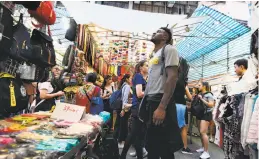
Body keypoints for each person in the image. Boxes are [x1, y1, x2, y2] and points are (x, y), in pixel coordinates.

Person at [139, 27, 183, 159]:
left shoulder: (169, 49)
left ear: (165, 37)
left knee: (164, 148)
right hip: (151, 101)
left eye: (158, 31)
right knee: (153, 146)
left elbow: (172, 77)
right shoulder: (154, 55)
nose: (153, 32)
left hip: (160, 100)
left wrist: (162, 107)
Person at [120, 61, 148, 159]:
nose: (148, 67)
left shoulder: (142, 78)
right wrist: (150, 91)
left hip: (140, 108)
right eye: (146, 65)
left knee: (137, 134)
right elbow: (140, 93)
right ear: (141, 67)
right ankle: (123, 155)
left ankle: (136, 156)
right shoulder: (138, 76)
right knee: (133, 134)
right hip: (138, 109)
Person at [195, 81, 215, 159]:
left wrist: (201, 99)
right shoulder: (201, 94)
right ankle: (203, 148)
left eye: (199, 85)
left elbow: (211, 104)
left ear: (204, 86)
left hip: (206, 114)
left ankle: (206, 152)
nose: (198, 86)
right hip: (201, 114)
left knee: (203, 132)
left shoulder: (209, 94)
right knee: (201, 132)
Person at [114, 74, 132, 149]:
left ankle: (117, 140)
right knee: (123, 125)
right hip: (124, 108)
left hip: (121, 107)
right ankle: (120, 141)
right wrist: (123, 109)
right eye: (131, 78)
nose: (132, 79)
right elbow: (124, 98)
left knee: (119, 123)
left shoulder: (123, 85)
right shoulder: (127, 86)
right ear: (127, 79)